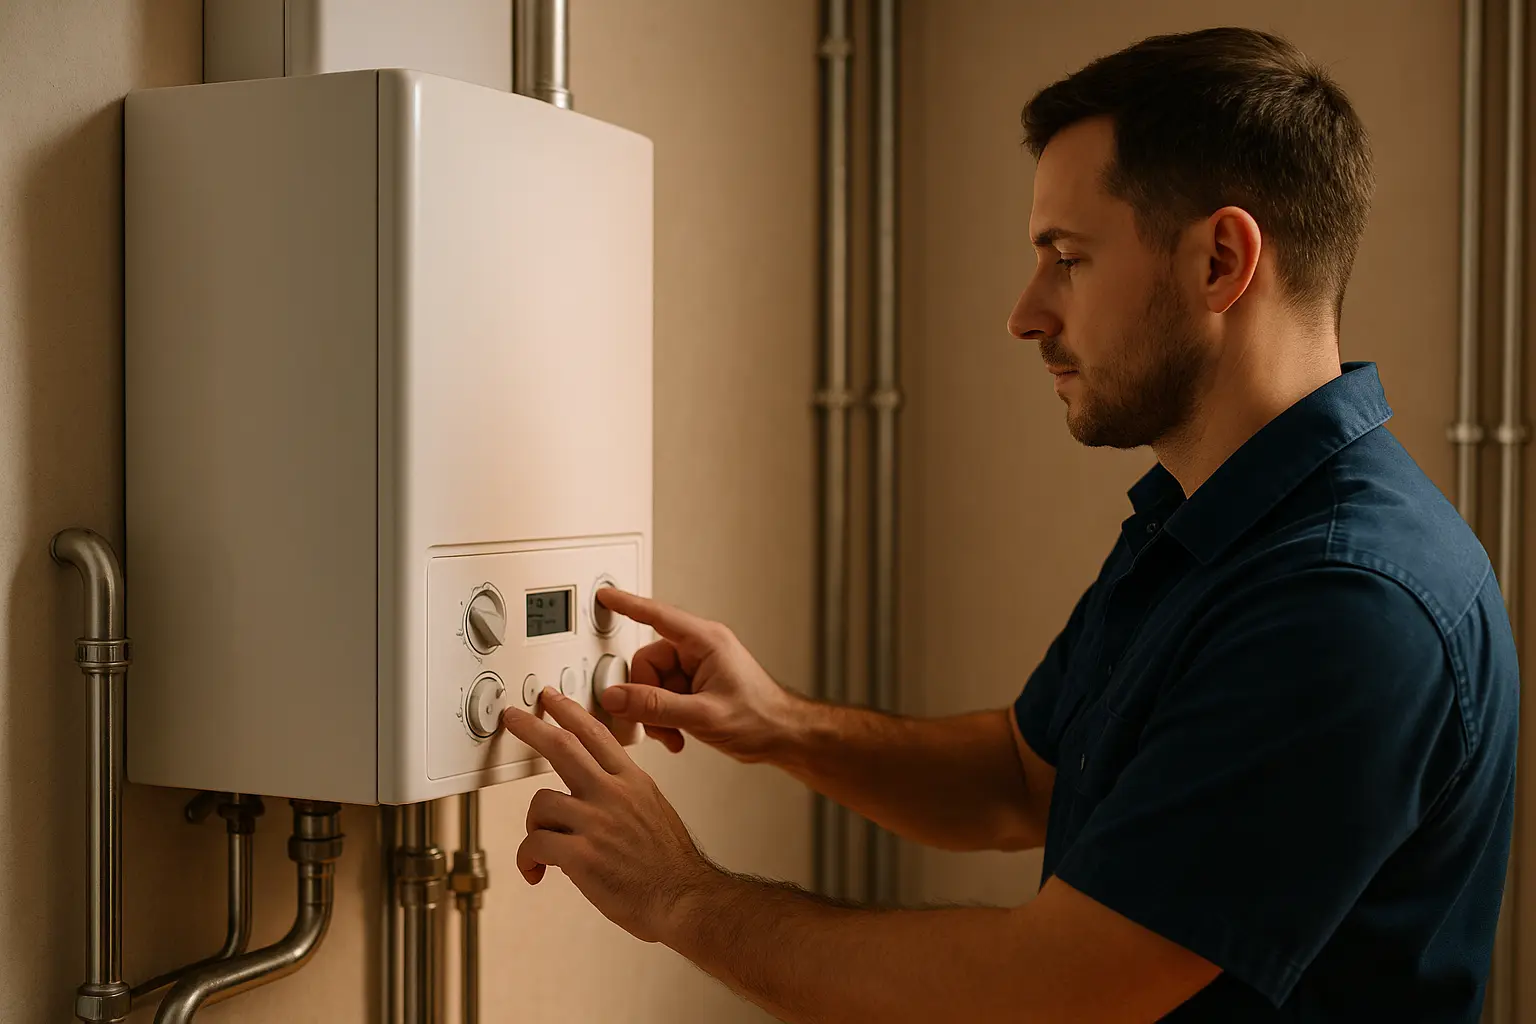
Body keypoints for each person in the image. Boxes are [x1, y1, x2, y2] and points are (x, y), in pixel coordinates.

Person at [500, 26, 1519, 1023]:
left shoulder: (1347, 604)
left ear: (1220, 261)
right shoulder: (1210, 522)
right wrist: (781, 726)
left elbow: (1061, 988)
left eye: (1066, 256)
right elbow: (1018, 779)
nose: (1025, 312)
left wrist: (683, 895)